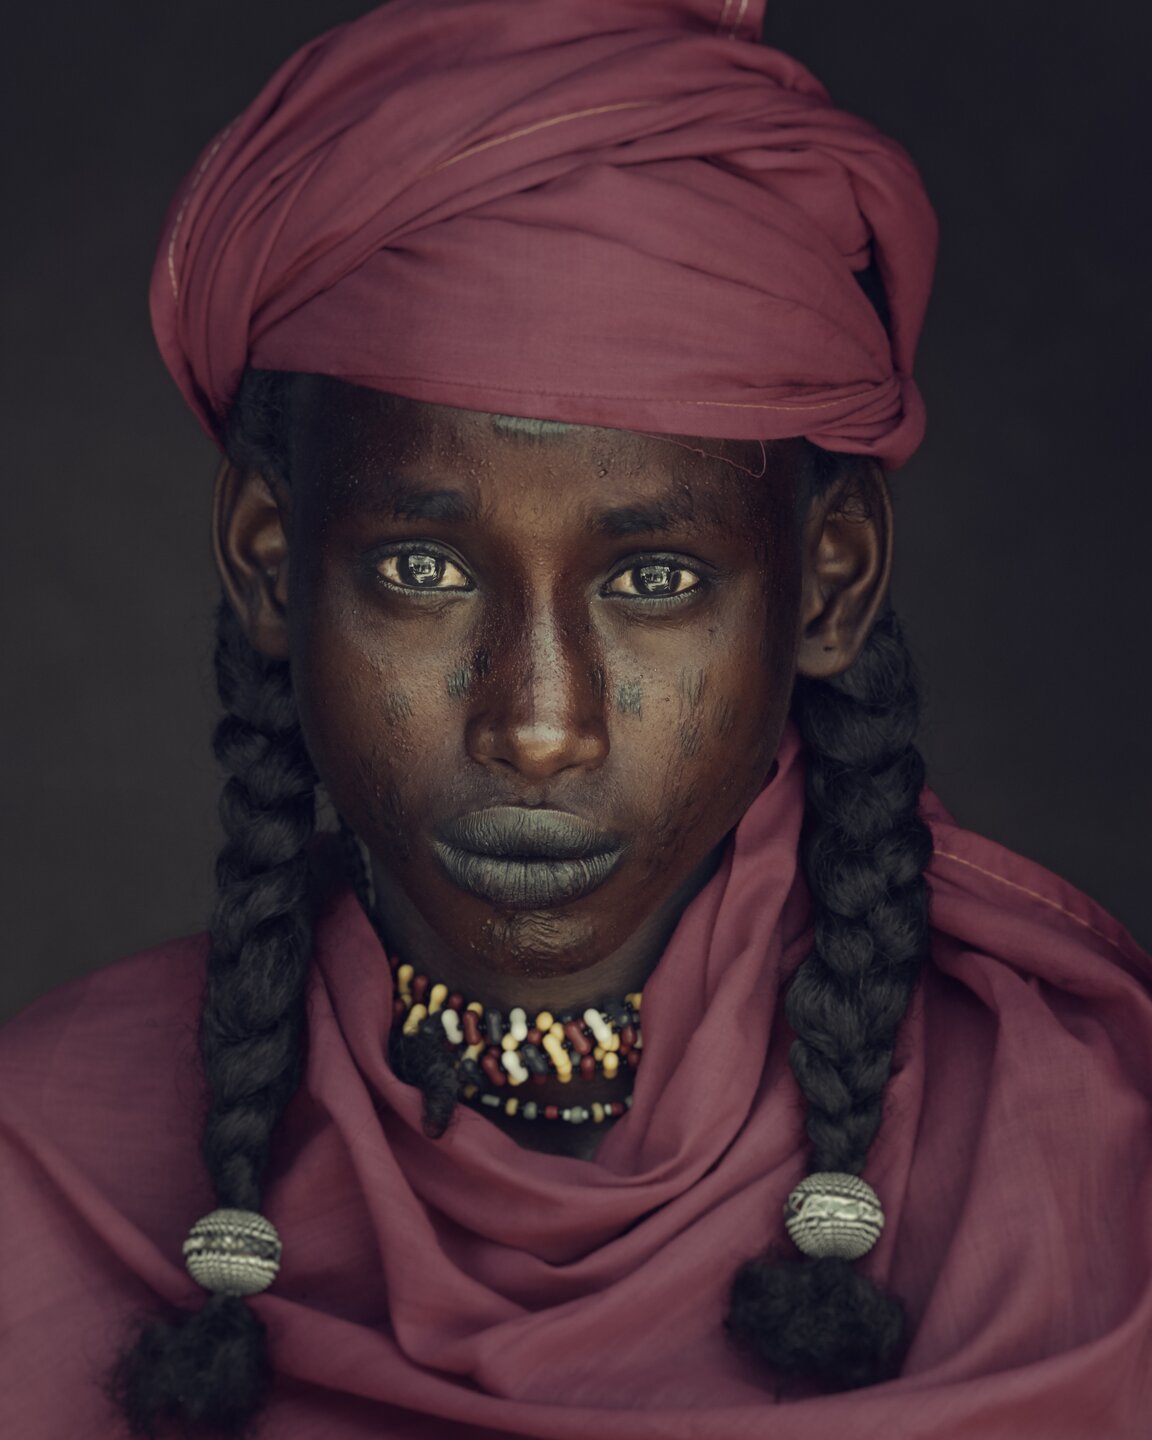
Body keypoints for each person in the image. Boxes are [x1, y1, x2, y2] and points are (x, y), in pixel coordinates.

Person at [2, 1, 1149, 1436]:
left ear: (829, 582)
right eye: (421, 572)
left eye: (655, 579)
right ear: (269, 563)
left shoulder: (1094, 1174)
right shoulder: (43, 1165)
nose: (538, 727)